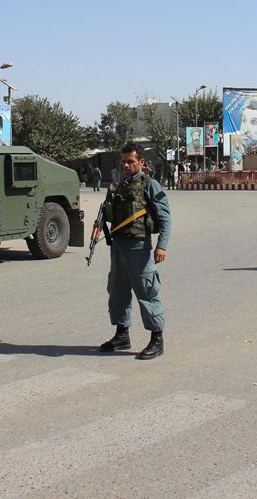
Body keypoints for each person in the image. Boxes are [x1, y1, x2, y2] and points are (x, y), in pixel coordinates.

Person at [95, 143, 172, 360]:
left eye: (131, 161)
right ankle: (122, 334)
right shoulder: (120, 185)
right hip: (118, 247)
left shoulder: (150, 185)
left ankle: (157, 339)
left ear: (142, 162)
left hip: (139, 248)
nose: (126, 165)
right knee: (118, 292)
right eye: (123, 161)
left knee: (147, 292)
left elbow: (165, 217)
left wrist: (162, 245)